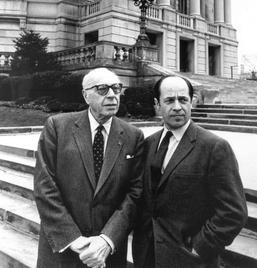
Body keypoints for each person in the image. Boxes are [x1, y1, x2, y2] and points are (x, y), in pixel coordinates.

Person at [132, 75, 247, 268]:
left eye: (183, 100)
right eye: (169, 100)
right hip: (147, 256)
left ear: (191, 102)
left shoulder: (214, 147)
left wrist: (200, 246)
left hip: (190, 261)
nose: (177, 106)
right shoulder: (149, 144)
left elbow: (233, 212)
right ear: (157, 104)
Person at [34, 67, 144, 268]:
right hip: (63, 252)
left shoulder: (133, 136)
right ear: (86, 96)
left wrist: (107, 239)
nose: (112, 95)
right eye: (102, 89)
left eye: (116, 88)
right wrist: (72, 238)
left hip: (106, 255)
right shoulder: (57, 127)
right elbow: (44, 186)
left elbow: (135, 193)